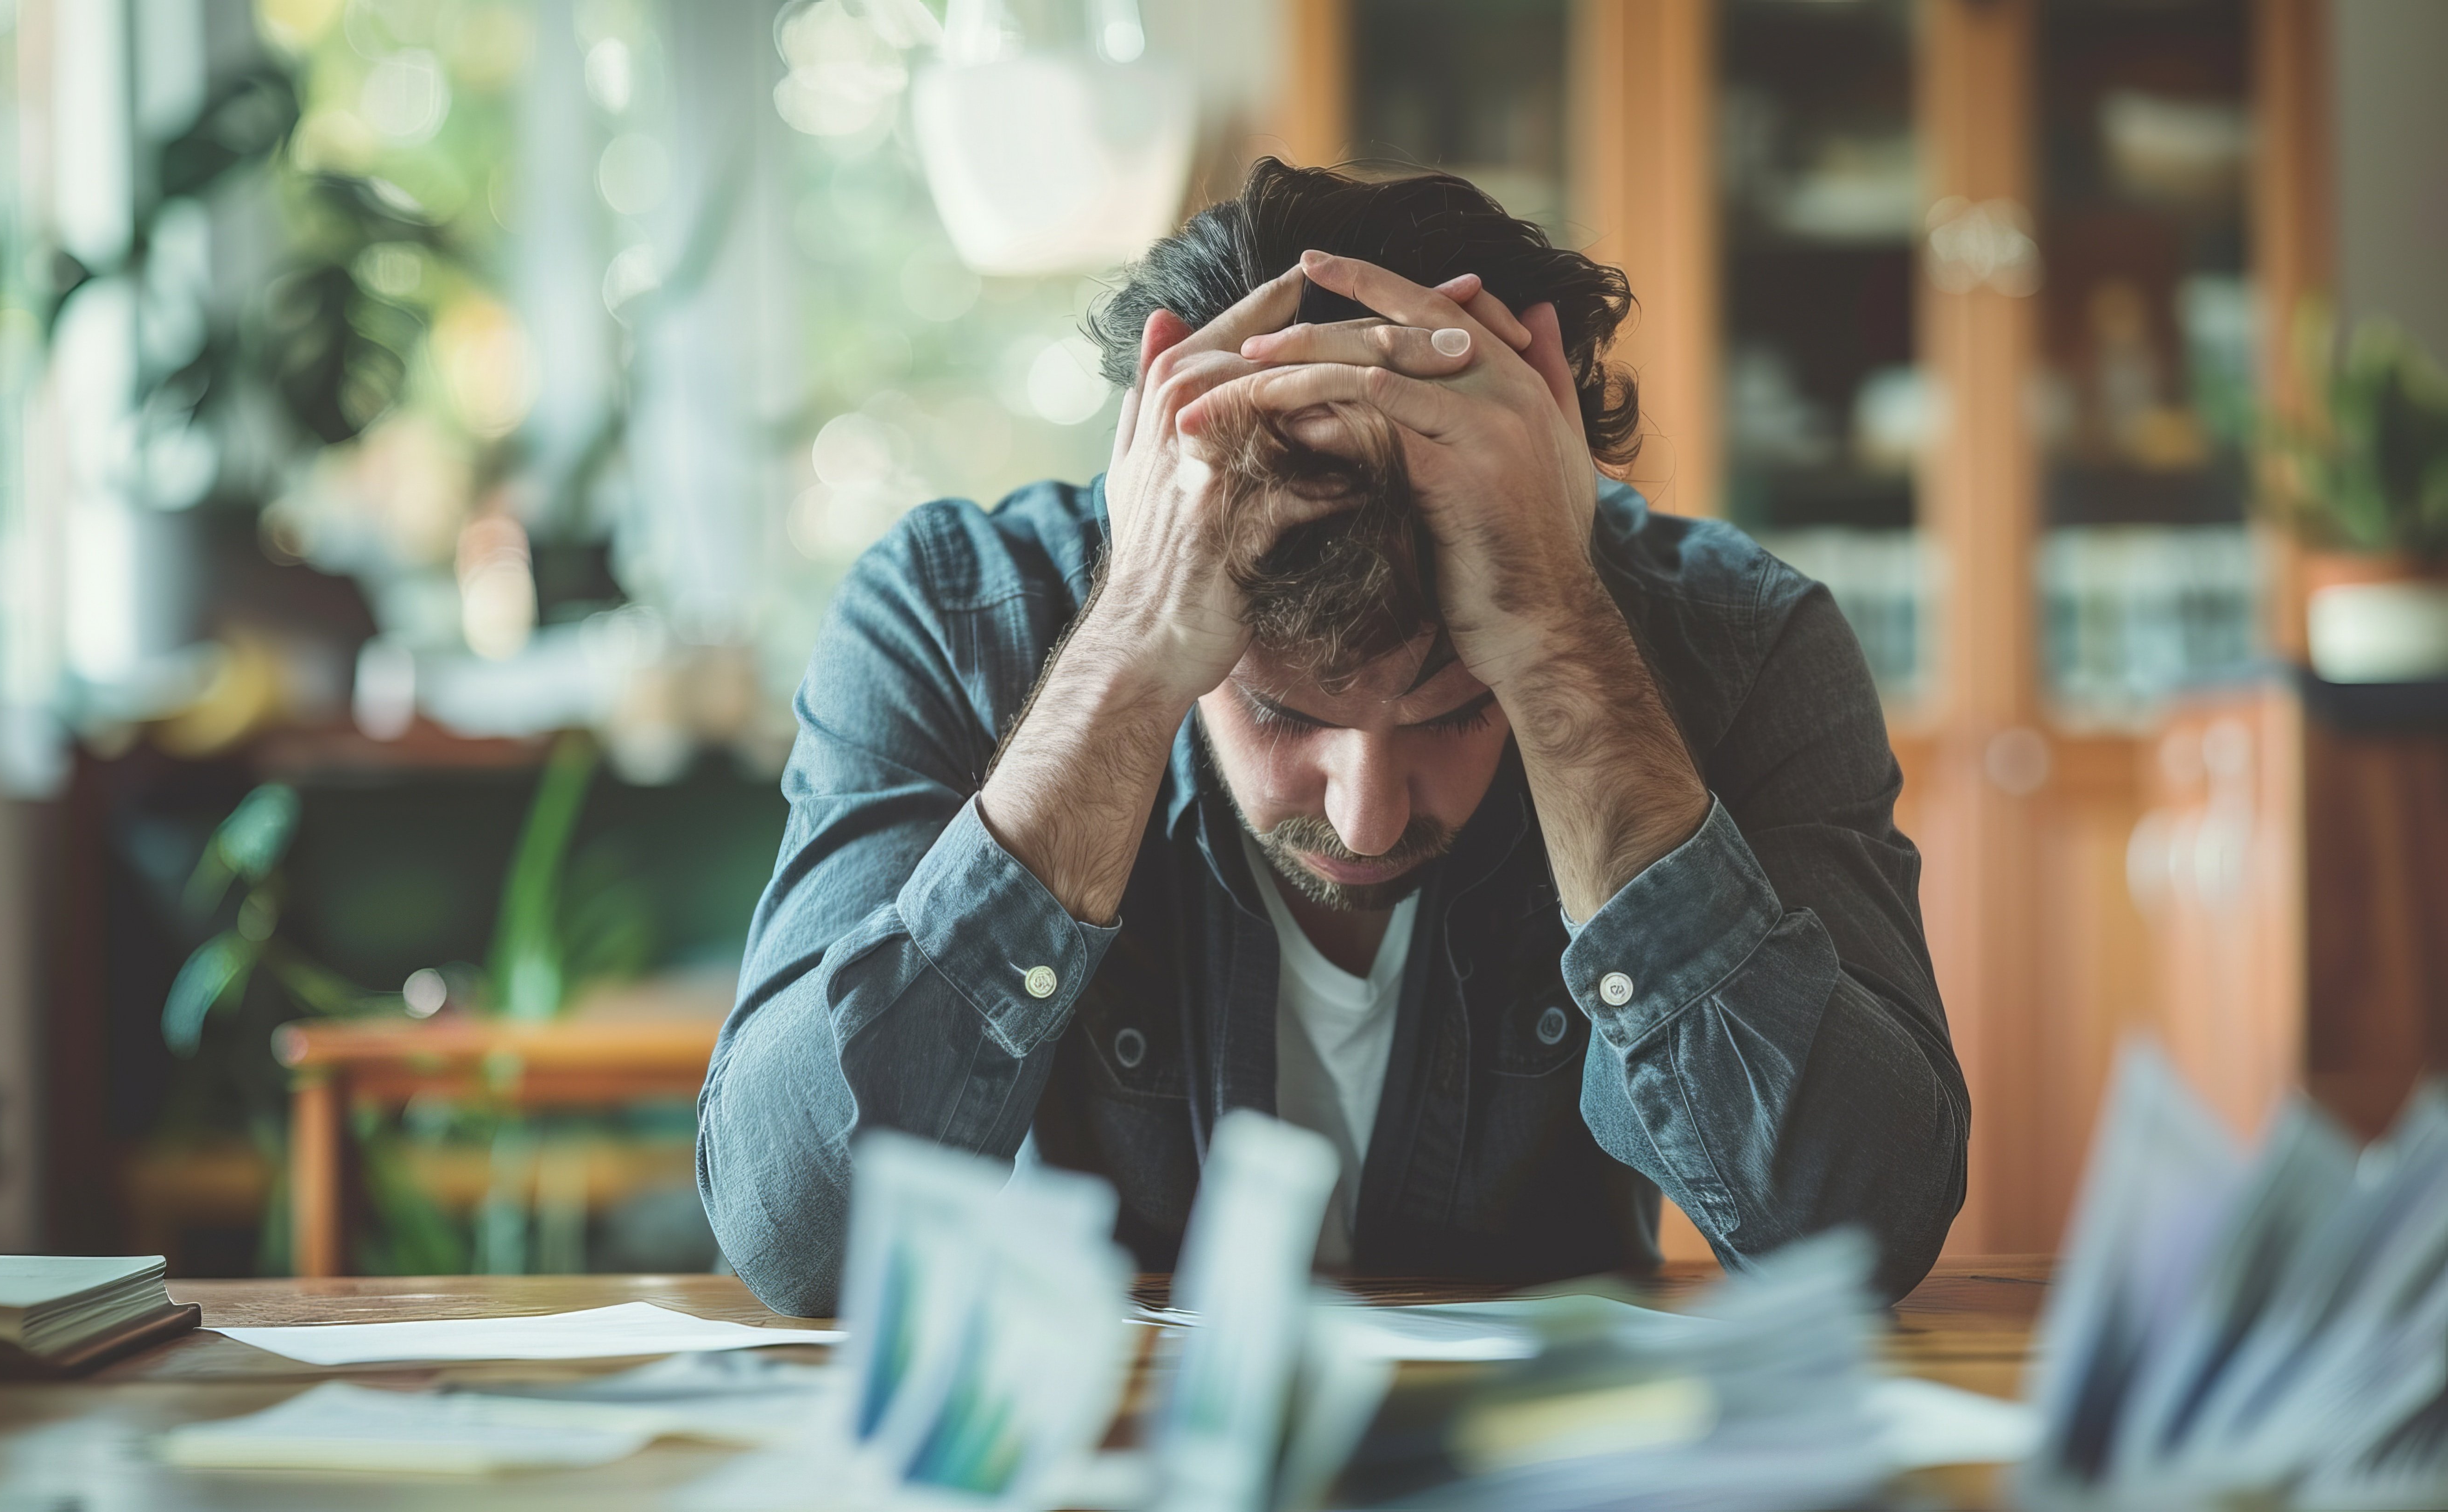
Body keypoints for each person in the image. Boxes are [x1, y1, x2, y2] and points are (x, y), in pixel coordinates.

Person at [697, 161, 1968, 1317]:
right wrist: (1129, 657)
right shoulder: (947, 618)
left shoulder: (1741, 644)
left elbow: (1855, 1234)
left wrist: (1558, 639)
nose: (1364, 817)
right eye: (1281, 712)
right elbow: (798, 1234)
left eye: (1459, 712)